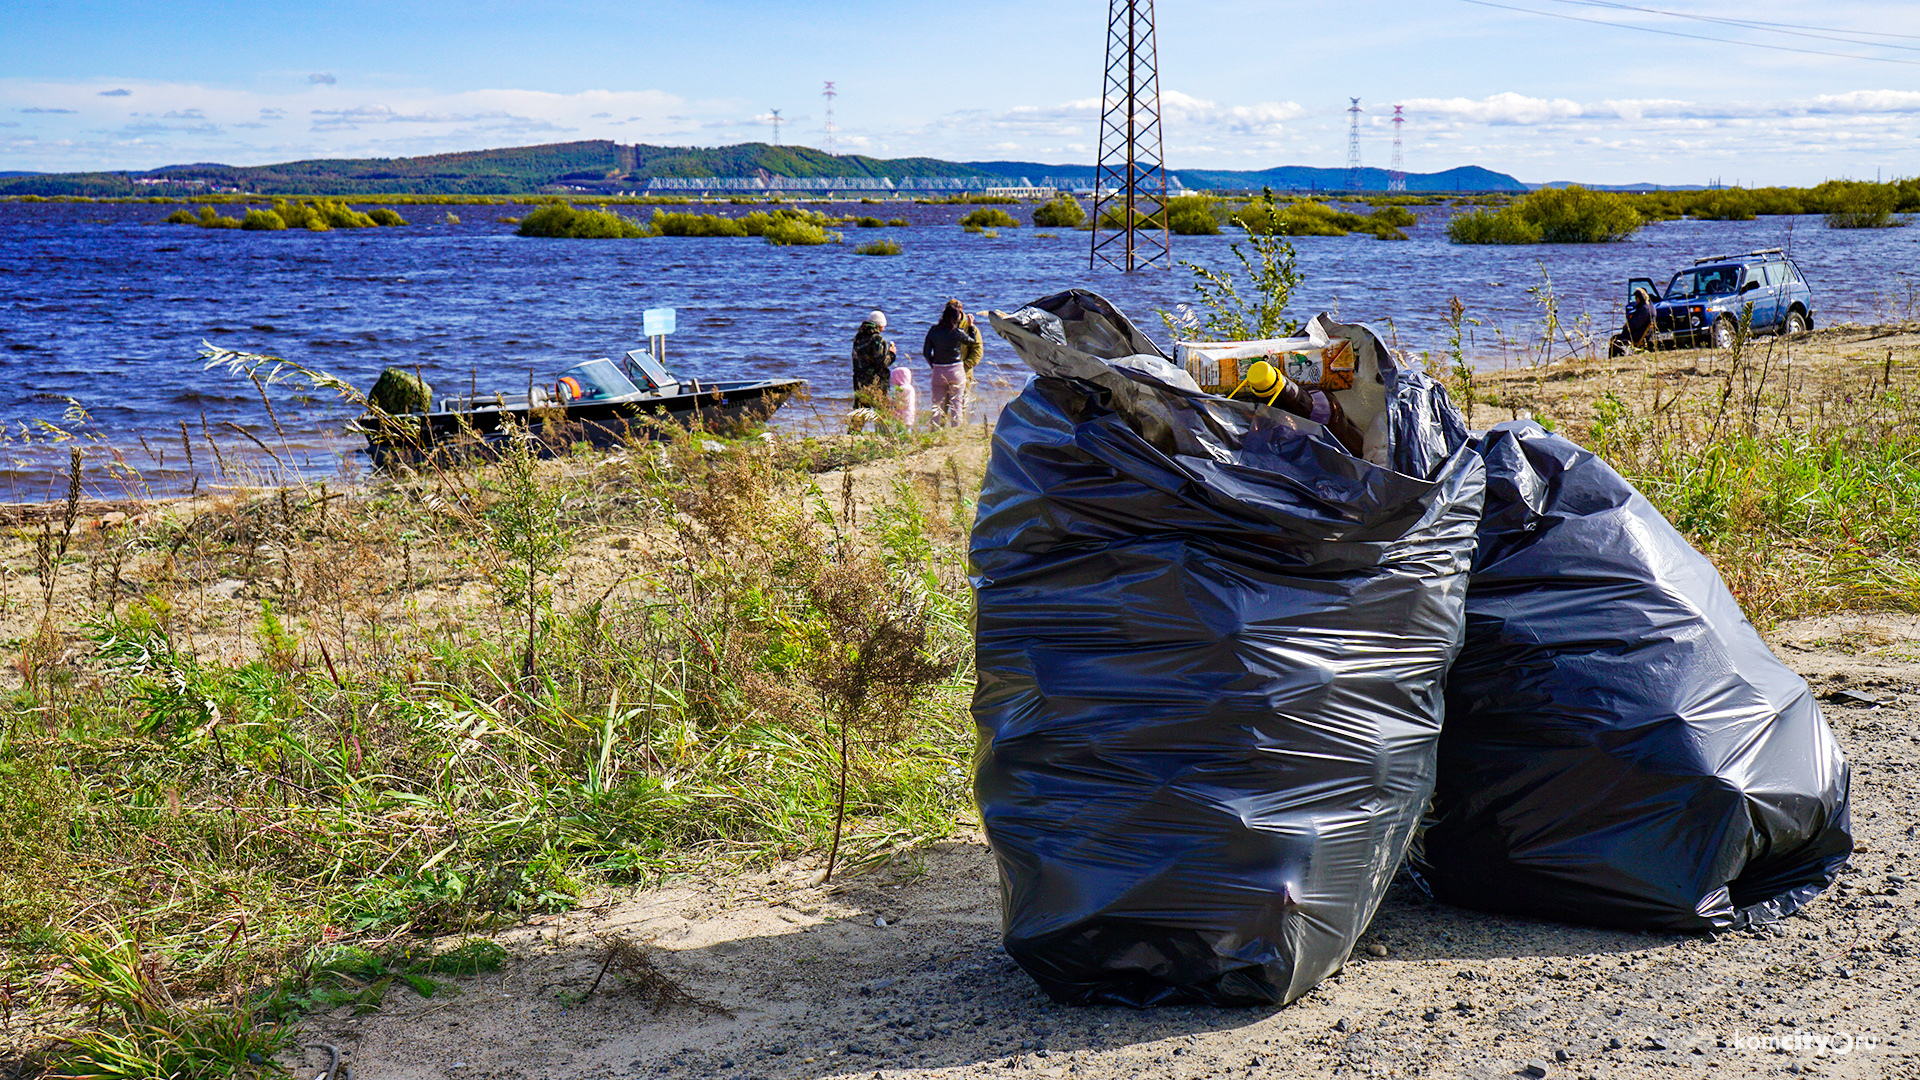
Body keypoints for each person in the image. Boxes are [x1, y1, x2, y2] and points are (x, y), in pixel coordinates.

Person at [922, 298, 981, 427]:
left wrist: (934, 365)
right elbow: (972, 341)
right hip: (956, 370)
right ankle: (956, 431)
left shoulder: (933, 330)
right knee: (957, 405)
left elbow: (926, 353)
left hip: (939, 369)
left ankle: (935, 431)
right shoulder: (957, 332)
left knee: (937, 404)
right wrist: (970, 326)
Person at [850, 310, 896, 431]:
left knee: (860, 410)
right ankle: (884, 435)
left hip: (859, 380)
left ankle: (853, 435)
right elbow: (882, 362)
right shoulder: (877, 339)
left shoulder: (858, 338)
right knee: (882, 411)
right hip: (876, 382)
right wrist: (892, 354)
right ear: (880, 325)